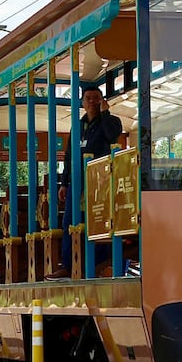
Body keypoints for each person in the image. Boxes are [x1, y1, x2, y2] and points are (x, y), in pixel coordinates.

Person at [49, 86, 123, 279]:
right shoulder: (78, 126)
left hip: (101, 181)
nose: (92, 102)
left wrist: (106, 112)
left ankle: (99, 264)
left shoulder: (111, 121)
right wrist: (64, 183)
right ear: (82, 102)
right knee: (70, 222)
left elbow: (112, 135)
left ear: (102, 101)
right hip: (77, 180)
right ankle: (68, 264)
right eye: (88, 98)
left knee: (98, 221)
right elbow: (68, 155)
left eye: (96, 98)